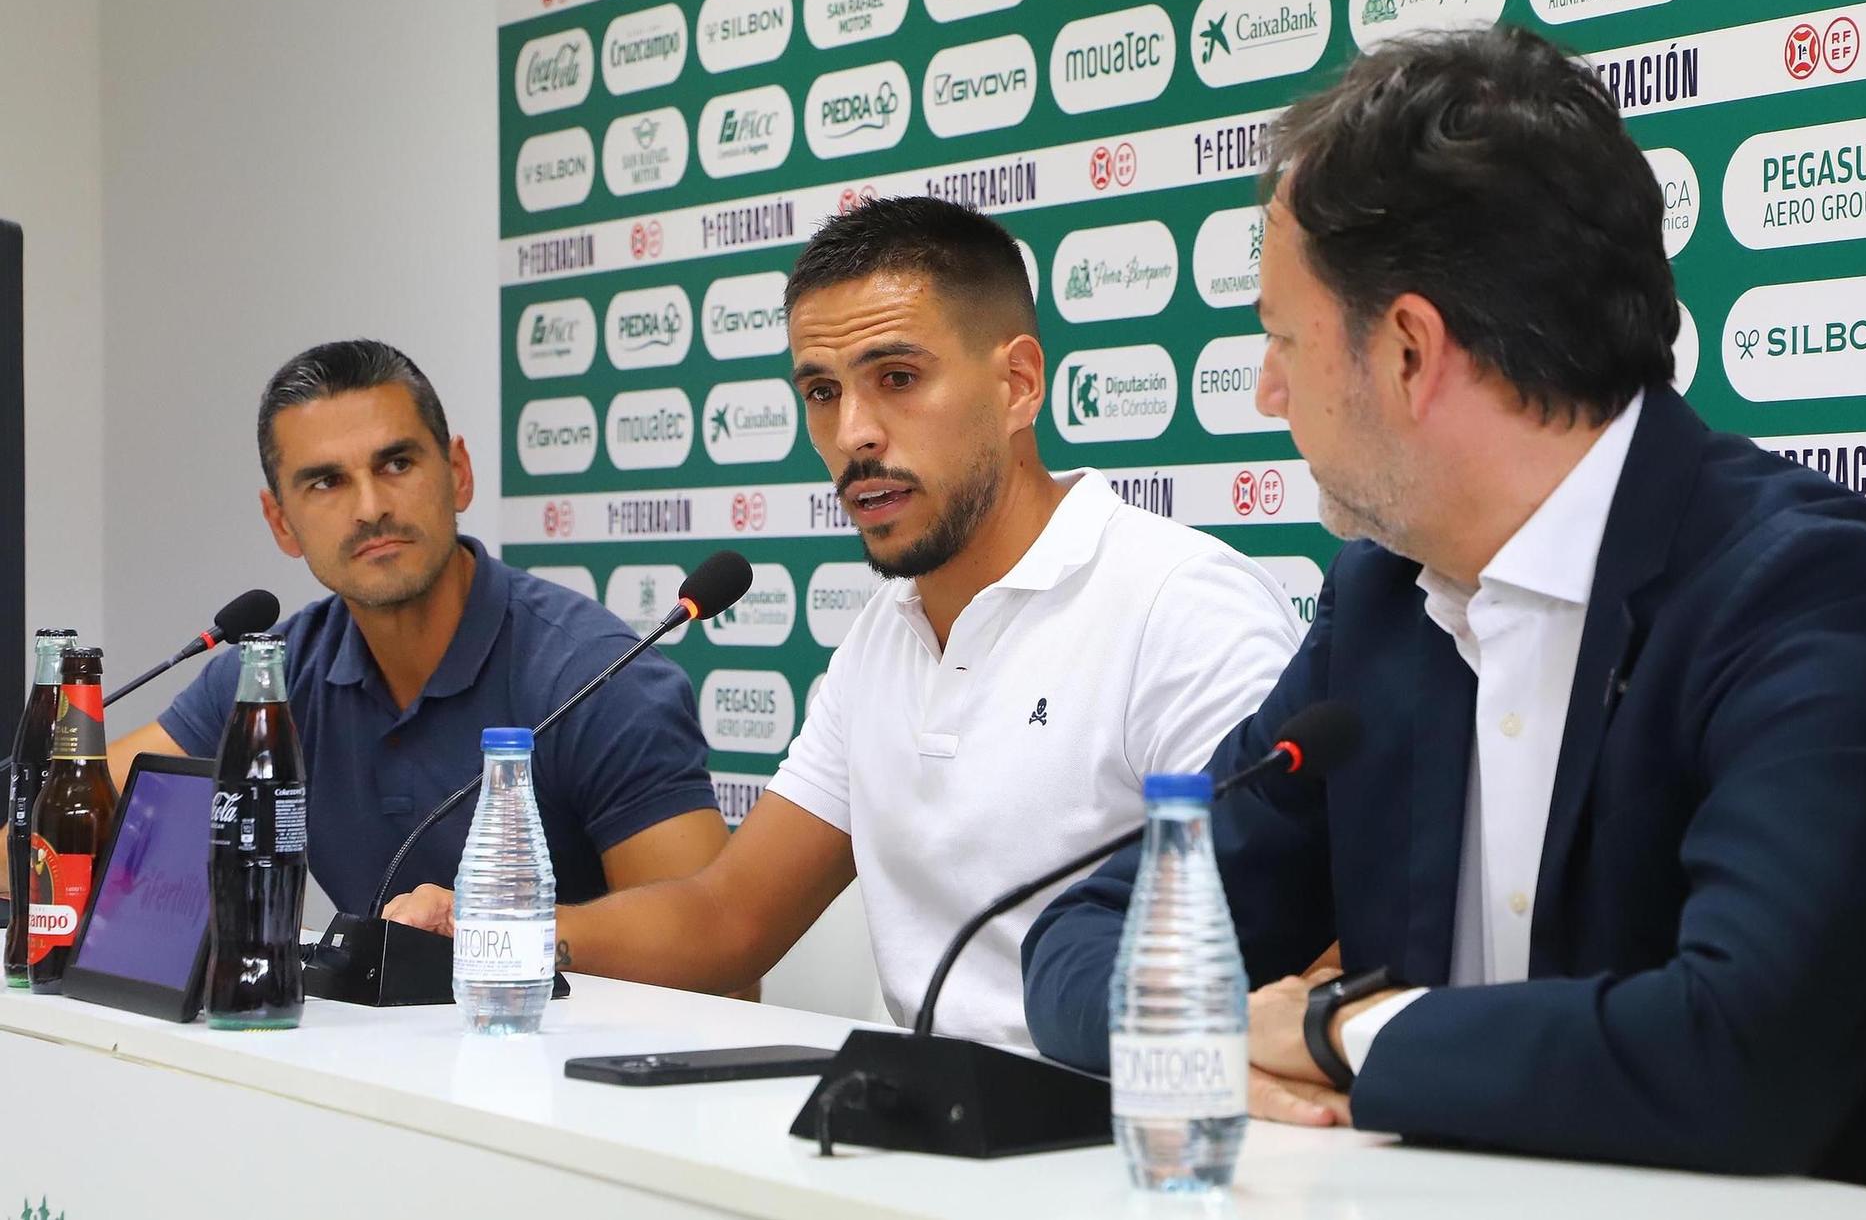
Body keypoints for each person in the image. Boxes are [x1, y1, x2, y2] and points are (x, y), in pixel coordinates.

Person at [1020, 26, 1866, 1206]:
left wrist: (1337, 1032)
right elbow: (1087, 937)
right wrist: (1210, 1028)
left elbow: (1735, 1056)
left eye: (1280, 339)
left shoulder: (1814, 600)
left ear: (1408, 350)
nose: (1265, 391)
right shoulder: (1381, 606)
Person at [387, 198, 1302, 1047]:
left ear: (1019, 385)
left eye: (896, 377)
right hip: (923, 1142)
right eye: (821, 392)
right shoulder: (883, 634)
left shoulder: (1180, 608)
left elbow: (1294, 954)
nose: (854, 432)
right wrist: (496, 932)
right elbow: (729, 919)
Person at [109, 341, 726, 914]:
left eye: (397, 463)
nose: (371, 507)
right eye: (326, 482)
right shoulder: (271, 678)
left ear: (458, 473)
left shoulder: (597, 676)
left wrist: (493, 938)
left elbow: (716, 971)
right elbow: (53, 835)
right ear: (281, 523)